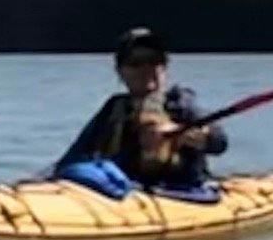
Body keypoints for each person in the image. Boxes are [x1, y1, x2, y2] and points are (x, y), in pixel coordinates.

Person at [55, 28, 224, 191]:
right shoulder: (115, 107)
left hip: (178, 190)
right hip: (125, 189)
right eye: (135, 63)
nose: (146, 69)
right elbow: (74, 155)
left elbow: (219, 141)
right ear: (120, 71)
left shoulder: (180, 102)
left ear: (164, 68)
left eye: (154, 61)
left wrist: (196, 136)